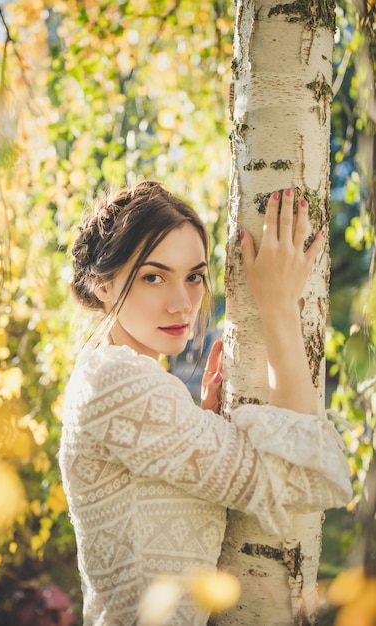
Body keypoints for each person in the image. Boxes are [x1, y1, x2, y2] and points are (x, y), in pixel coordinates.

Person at [59, 180, 352, 626]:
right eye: (153, 276)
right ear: (102, 283)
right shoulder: (118, 383)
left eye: (194, 276)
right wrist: (276, 306)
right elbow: (305, 480)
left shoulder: (107, 373)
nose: (183, 305)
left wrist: (199, 426)